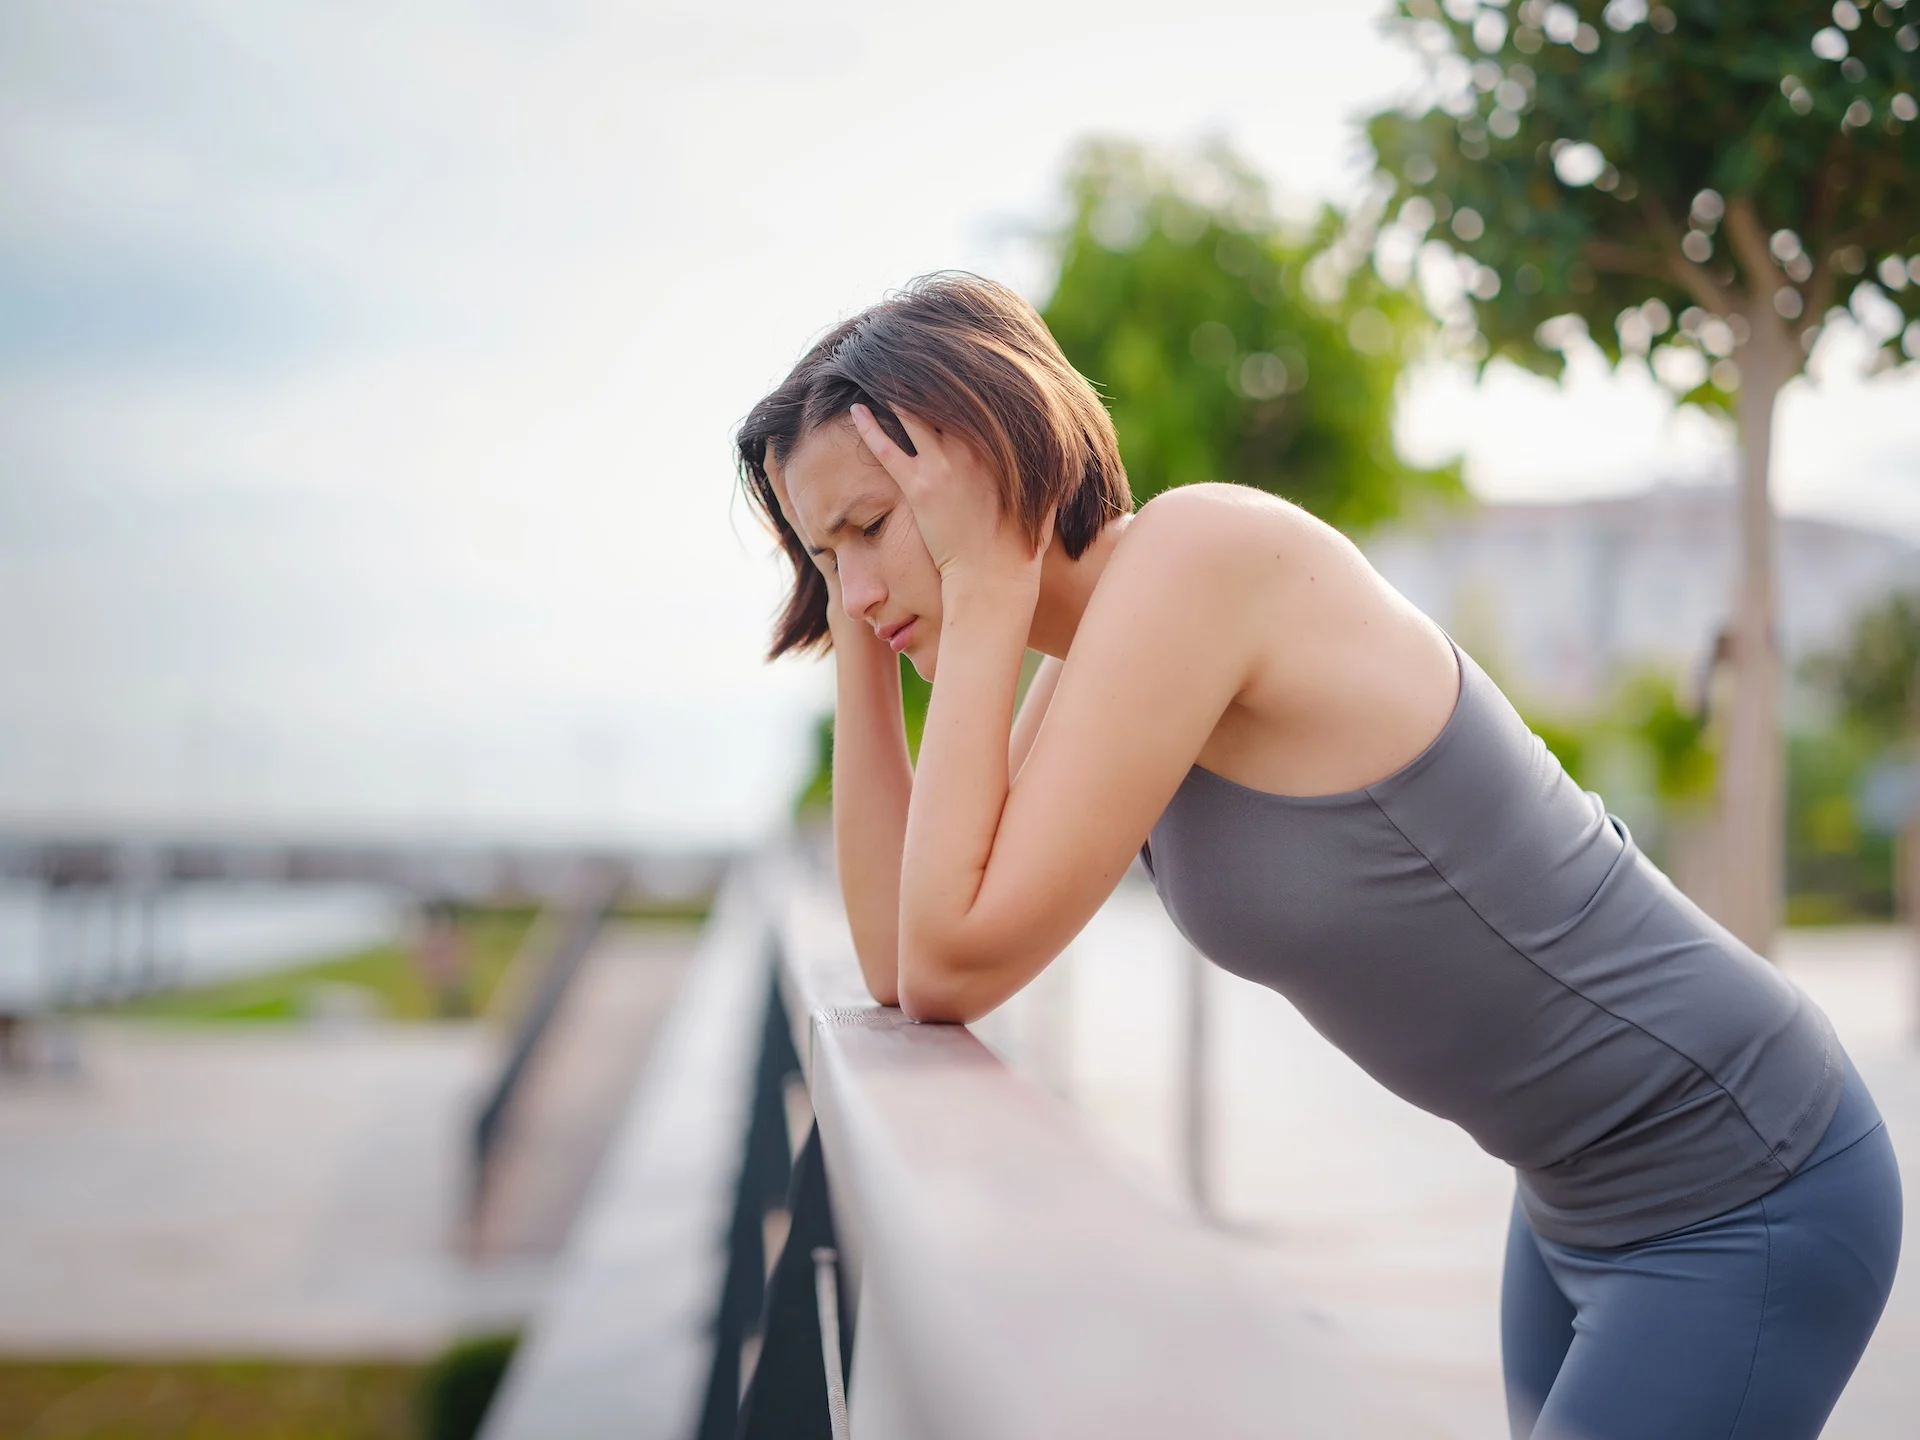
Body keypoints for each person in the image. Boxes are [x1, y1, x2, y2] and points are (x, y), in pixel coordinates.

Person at [735, 273, 1901, 1440]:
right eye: (825, 555)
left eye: (874, 527)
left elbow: (948, 967)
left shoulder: (1200, 558)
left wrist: (985, 587)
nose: (862, 587)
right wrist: (854, 631)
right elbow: (898, 952)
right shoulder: (1089, 664)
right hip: (1571, 1200)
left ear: (977, 460)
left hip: (1742, 1178)